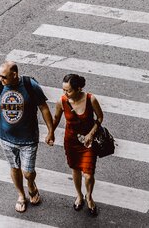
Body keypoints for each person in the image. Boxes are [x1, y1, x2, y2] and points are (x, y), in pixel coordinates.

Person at [0, 61, 55, 213]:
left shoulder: (30, 85)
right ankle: (21, 195)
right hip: (6, 138)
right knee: (14, 168)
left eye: (4, 77)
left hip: (29, 138)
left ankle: (32, 185)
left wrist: (51, 130)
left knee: (28, 172)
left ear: (14, 74)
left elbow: (44, 108)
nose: (1, 80)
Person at [52, 74, 103, 216]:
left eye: (68, 91)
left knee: (88, 174)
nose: (65, 93)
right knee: (75, 169)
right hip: (71, 141)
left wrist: (91, 134)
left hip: (88, 142)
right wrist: (51, 133)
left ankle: (89, 196)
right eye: (63, 90)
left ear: (79, 89)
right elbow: (56, 118)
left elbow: (100, 117)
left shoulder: (90, 99)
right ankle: (79, 195)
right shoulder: (62, 101)